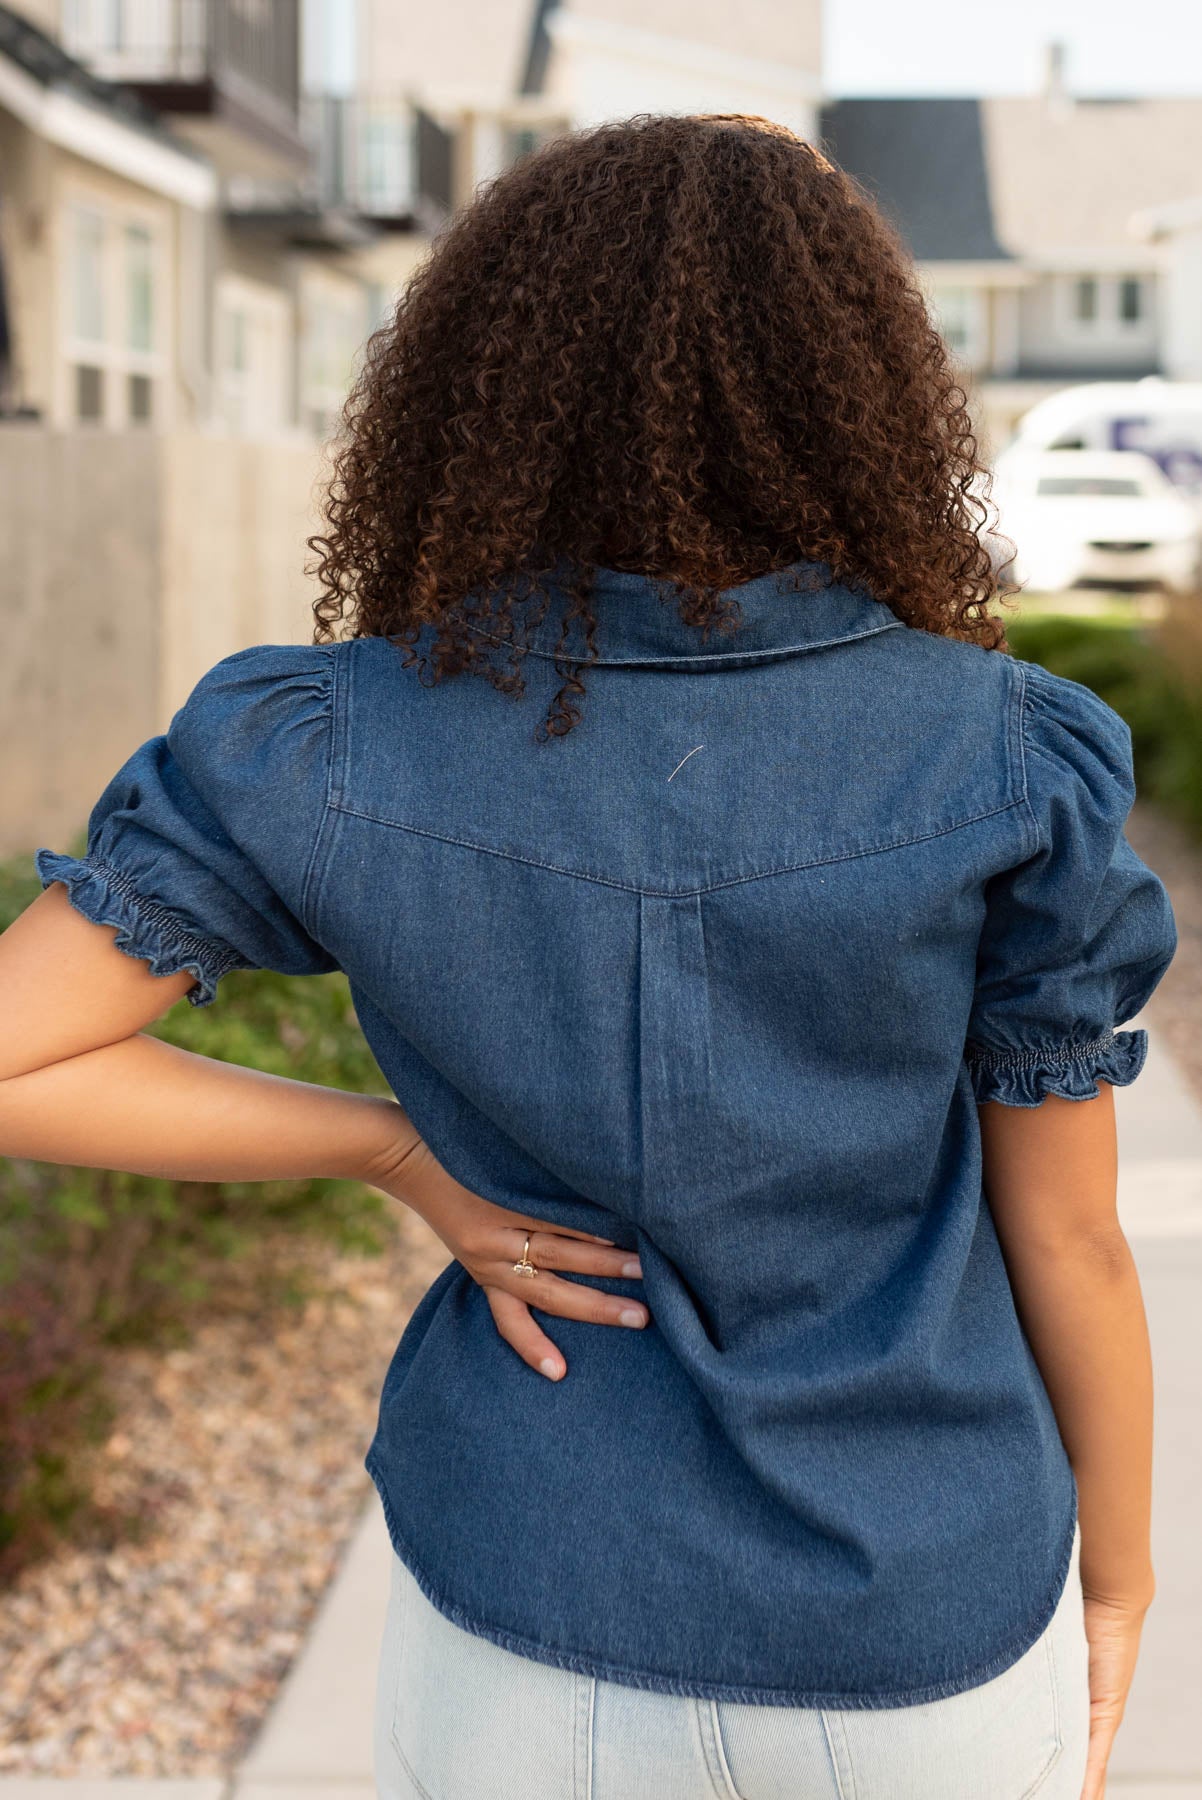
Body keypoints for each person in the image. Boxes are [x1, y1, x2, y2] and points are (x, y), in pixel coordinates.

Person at [0, 113, 1178, 1800]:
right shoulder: (1001, 758)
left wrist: (392, 1150)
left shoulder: (327, 742)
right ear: (860, 388)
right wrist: (1121, 1583)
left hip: (526, 1602)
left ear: (483, 387)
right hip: (913, 1610)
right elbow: (1070, 1238)